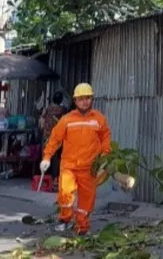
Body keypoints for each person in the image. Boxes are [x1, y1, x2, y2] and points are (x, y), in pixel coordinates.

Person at [40, 83, 111, 235]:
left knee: (87, 200)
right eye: (81, 99)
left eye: (87, 98)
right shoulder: (66, 120)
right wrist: (46, 157)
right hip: (69, 166)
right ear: (75, 101)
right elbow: (55, 139)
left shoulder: (99, 119)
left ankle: (82, 227)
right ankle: (65, 219)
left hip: (89, 167)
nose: (84, 101)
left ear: (92, 99)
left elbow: (105, 138)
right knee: (65, 193)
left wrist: (105, 157)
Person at [39, 92, 67, 178]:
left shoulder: (48, 108)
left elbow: (42, 117)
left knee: (46, 154)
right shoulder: (62, 109)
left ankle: (44, 175)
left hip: (46, 134)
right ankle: (54, 176)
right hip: (56, 135)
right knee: (55, 156)